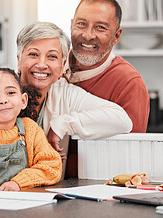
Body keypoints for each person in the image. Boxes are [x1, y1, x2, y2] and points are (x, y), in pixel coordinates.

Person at [16, 21, 133, 176]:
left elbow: (122, 120)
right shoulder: (0, 89)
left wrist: (62, 124)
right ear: (18, 60)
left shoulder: (65, 93)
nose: (42, 64)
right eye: (33, 54)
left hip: (50, 193)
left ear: (62, 64)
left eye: (52, 56)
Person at [65, 0, 149, 133]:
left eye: (100, 27)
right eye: (81, 24)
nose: (88, 35)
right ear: (71, 25)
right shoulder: (49, 69)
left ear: (116, 36)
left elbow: (131, 150)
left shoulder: (129, 83)